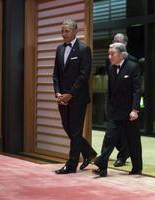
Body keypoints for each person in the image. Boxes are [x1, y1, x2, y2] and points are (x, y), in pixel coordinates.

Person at [53, 19, 97, 174]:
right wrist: (58, 93)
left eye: (67, 31)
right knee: (68, 127)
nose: (64, 34)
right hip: (62, 98)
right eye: (62, 31)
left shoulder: (84, 49)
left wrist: (70, 94)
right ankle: (89, 152)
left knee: (76, 130)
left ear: (75, 31)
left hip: (77, 97)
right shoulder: (59, 49)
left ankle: (71, 165)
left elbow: (84, 75)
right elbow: (56, 75)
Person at [92, 43, 143, 177]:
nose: (109, 57)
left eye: (112, 54)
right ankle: (102, 167)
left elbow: (137, 91)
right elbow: (110, 91)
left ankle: (137, 168)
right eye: (109, 54)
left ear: (121, 54)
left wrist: (135, 110)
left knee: (133, 141)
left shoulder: (133, 67)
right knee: (108, 139)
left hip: (129, 113)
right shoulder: (110, 68)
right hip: (114, 112)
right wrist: (108, 108)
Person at [110, 33, 138, 167]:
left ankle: (123, 155)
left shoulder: (132, 61)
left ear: (124, 44)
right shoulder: (110, 59)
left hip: (127, 104)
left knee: (127, 134)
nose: (114, 43)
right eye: (113, 40)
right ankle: (121, 152)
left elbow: (136, 88)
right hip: (114, 103)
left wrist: (135, 108)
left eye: (117, 41)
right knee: (113, 133)